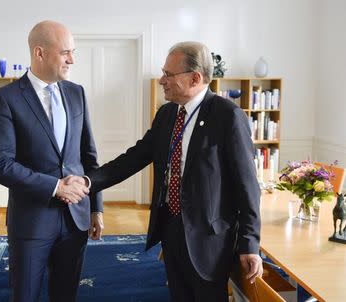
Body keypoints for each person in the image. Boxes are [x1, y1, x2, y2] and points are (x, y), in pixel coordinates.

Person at [84, 41, 262, 301]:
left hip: (209, 238)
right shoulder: (167, 114)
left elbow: (247, 186)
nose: (161, 80)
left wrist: (250, 243)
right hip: (171, 226)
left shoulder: (228, 116)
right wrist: (88, 182)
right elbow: (133, 158)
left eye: (168, 74)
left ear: (195, 78)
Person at [0, 20, 104, 302]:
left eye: (72, 52)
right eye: (65, 52)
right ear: (39, 53)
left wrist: (96, 208)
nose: (72, 60)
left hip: (76, 218)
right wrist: (55, 187)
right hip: (31, 221)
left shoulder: (77, 93)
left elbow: (88, 155)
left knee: (66, 295)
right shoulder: (7, 98)